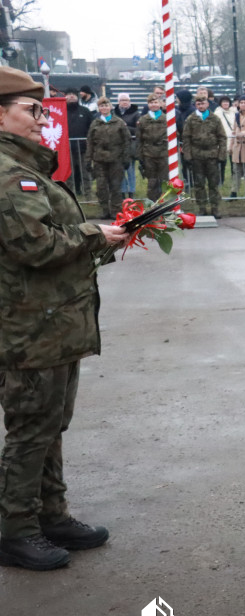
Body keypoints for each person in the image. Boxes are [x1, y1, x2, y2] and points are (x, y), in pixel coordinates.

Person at [0, 66, 128, 571]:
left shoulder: (22, 167)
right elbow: (35, 246)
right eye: (31, 109)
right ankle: (16, 530)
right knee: (31, 429)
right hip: (30, 327)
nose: (41, 117)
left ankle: (50, 514)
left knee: (50, 424)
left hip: (50, 322)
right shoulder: (11, 175)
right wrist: (96, 236)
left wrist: (98, 236)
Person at [85, 97, 131, 219]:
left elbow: (127, 140)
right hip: (99, 160)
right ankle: (105, 210)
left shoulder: (119, 122)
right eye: (101, 106)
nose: (104, 108)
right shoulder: (95, 123)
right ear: (99, 108)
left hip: (116, 159)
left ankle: (116, 210)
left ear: (110, 107)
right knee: (101, 186)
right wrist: (88, 160)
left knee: (116, 186)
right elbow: (90, 142)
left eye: (106, 105)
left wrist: (126, 158)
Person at [181, 96, 227, 217]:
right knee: (199, 183)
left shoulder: (215, 119)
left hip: (212, 155)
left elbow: (222, 137)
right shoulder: (191, 119)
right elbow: (186, 138)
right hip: (197, 155)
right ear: (196, 105)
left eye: (203, 103)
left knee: (213, 183)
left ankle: (214, 207)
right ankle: (201, 207)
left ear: (207, 104)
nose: (201, 106)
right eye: (199, 104)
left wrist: (221, 155)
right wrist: (188, 155)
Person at [137, 93, 168, 202]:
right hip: (149, 154)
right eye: (151, 103)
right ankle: (152, 205)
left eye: (156, 102)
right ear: (148, 104)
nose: (153, 105)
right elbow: (139, 139)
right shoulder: (143, 120)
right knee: (152, 182)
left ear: (160, 103)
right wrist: (140, 156)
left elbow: (174, 135)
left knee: (165, 181)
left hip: (163, 153)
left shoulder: (167, 118)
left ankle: (166, 205)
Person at [64, 91, 94, 197]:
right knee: (68, 174)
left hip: (83, 148)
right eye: (69, 94)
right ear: (64, 96)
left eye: (74, 94)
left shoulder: (85, 111)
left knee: (85, 172)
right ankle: (69, 195)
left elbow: (92, 128)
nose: (71, 96)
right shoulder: (61, 112)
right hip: (66, 150)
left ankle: (88, 194)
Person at [113, 93, 140, 199]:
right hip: (117, 145)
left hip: (130, 145)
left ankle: (131, 191)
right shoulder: (114, 113)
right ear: (118, 102)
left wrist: (125, 127)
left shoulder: (136, 114)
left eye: (127, 100)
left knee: (130, 170)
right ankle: (123, 191)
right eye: (122, 100)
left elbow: (138, 129)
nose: (125, 102)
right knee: (120, 170)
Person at [212, 95, 235, 185]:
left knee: (234, 162)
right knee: (222, 162)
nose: (226, 103)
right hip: (222, 140)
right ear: (220, 103)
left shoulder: (233, 112)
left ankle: (234, 179)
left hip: (233, 140)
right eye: (224, 102)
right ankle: (221, 180)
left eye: (227, 102)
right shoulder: (217, 113)